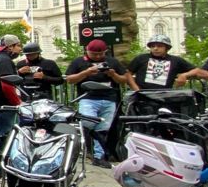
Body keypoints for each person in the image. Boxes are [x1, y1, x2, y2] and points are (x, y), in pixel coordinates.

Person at [65, 39, 136, 168]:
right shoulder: (79, 62)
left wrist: (113, 74)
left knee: (103, 128)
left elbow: (124, 79)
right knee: (87, 122)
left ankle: (99, 156)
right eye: (94, 54)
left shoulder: (112, 61)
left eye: (100, 54)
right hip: (88, 98)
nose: (97, 57)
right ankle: (83, 148)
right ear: (87, 51)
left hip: (109, 98)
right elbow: (69, 79)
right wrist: (86, 73)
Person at [0, 34, 24, 179]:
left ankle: (0, 170)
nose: (20, 49)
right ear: (10, 46)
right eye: (18, 45)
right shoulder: (5, 61)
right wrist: (18, 103)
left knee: (1, 138)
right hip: (4, 107)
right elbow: (7, 85)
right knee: (4, 140)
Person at [127, 35, 195, 90]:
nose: (155, 48)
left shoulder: (175, 60)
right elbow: (128, 73)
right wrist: (135, 88)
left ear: (167, 48)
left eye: (159, 46)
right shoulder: (141, 58)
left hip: (165, 97)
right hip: (142, 96)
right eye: (153, 46)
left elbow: (197, 71)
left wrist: (184, 75)